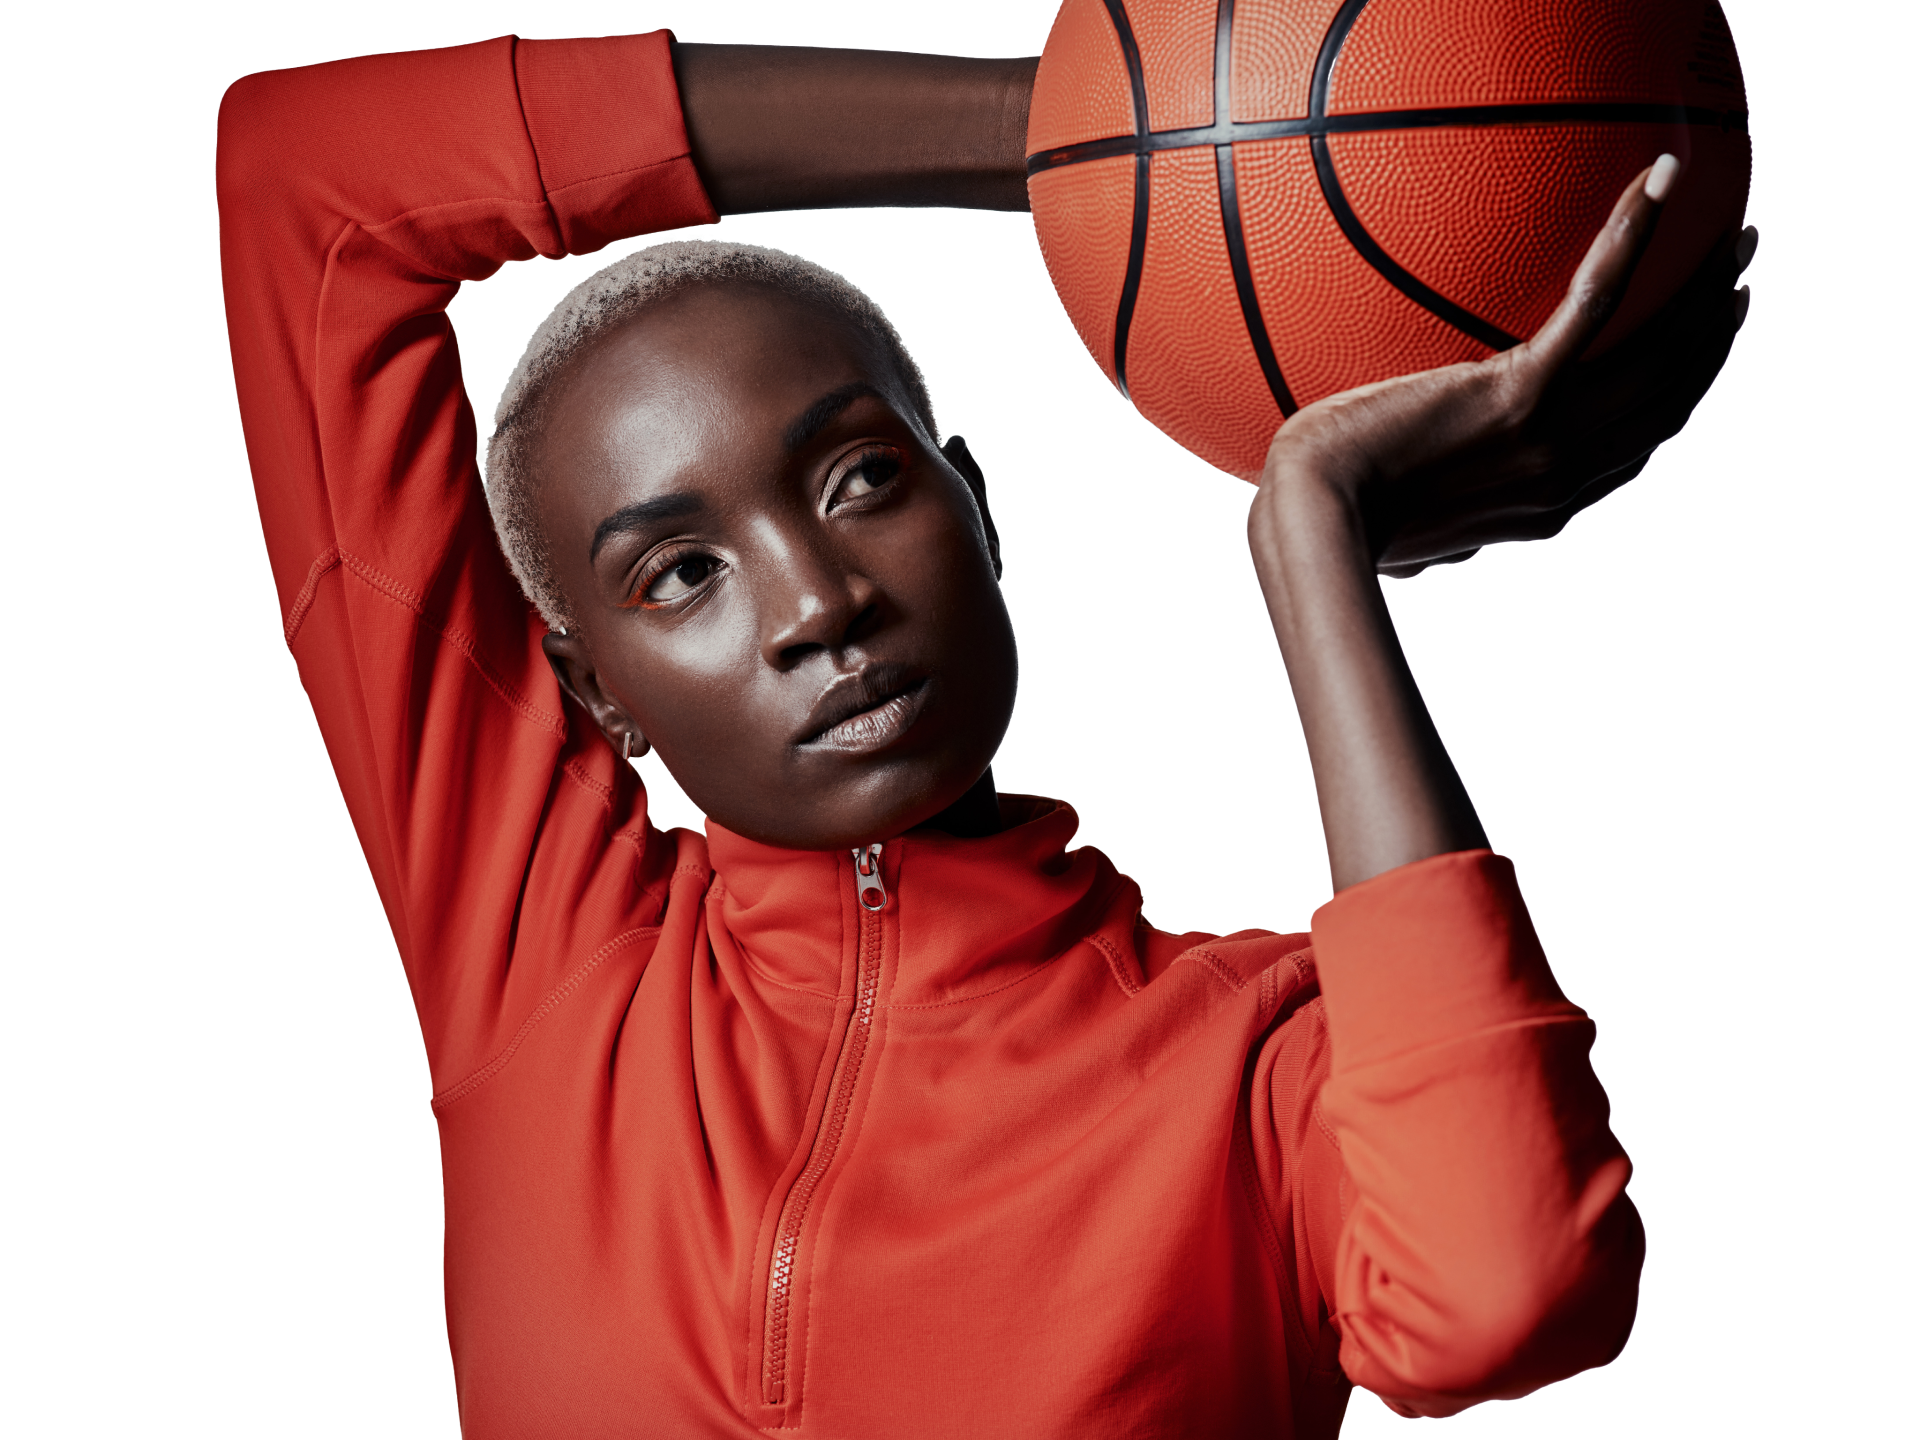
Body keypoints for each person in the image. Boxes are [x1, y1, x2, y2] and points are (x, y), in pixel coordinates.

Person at [214, 30, 1753, 1438]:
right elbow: (317, 183)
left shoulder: (1253, 1063)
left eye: (859, 481)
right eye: (679, 574)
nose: (818, 602)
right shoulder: (538, 957)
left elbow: (1510, 1295)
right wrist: (1081, 135)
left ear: (978, 505)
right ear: (594, 687)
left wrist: (1312, 544)